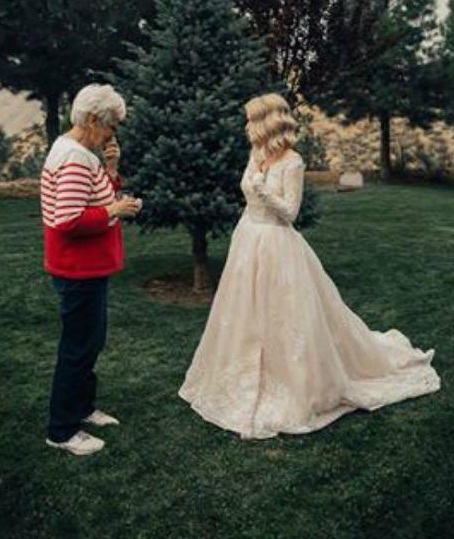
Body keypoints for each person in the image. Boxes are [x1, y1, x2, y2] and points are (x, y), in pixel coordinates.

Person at [179, 93, 440, 439]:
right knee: (243, 313)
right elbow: (248, 194)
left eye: (252, 120)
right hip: (248, 240)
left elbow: (290, 212)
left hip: (276, 242)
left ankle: (294, 380)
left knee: (284, 314)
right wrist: (254, 187)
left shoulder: (293, 162)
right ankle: (241, 374)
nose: (247, 126)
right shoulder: (256, 153)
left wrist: (264, 191)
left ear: (268, 123)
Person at [40, 83, 142, 456]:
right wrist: (114, 211)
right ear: (95, 120)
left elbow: (93, 195)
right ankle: (62, 430)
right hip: (77, 269)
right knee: (78, 347)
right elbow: (67, 219)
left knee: (89, 341)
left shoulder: (80, 152)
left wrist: (112, 169)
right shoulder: (76, 157)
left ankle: (82, 408)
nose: (113, 133)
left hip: (85, 268)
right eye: (112, 125)